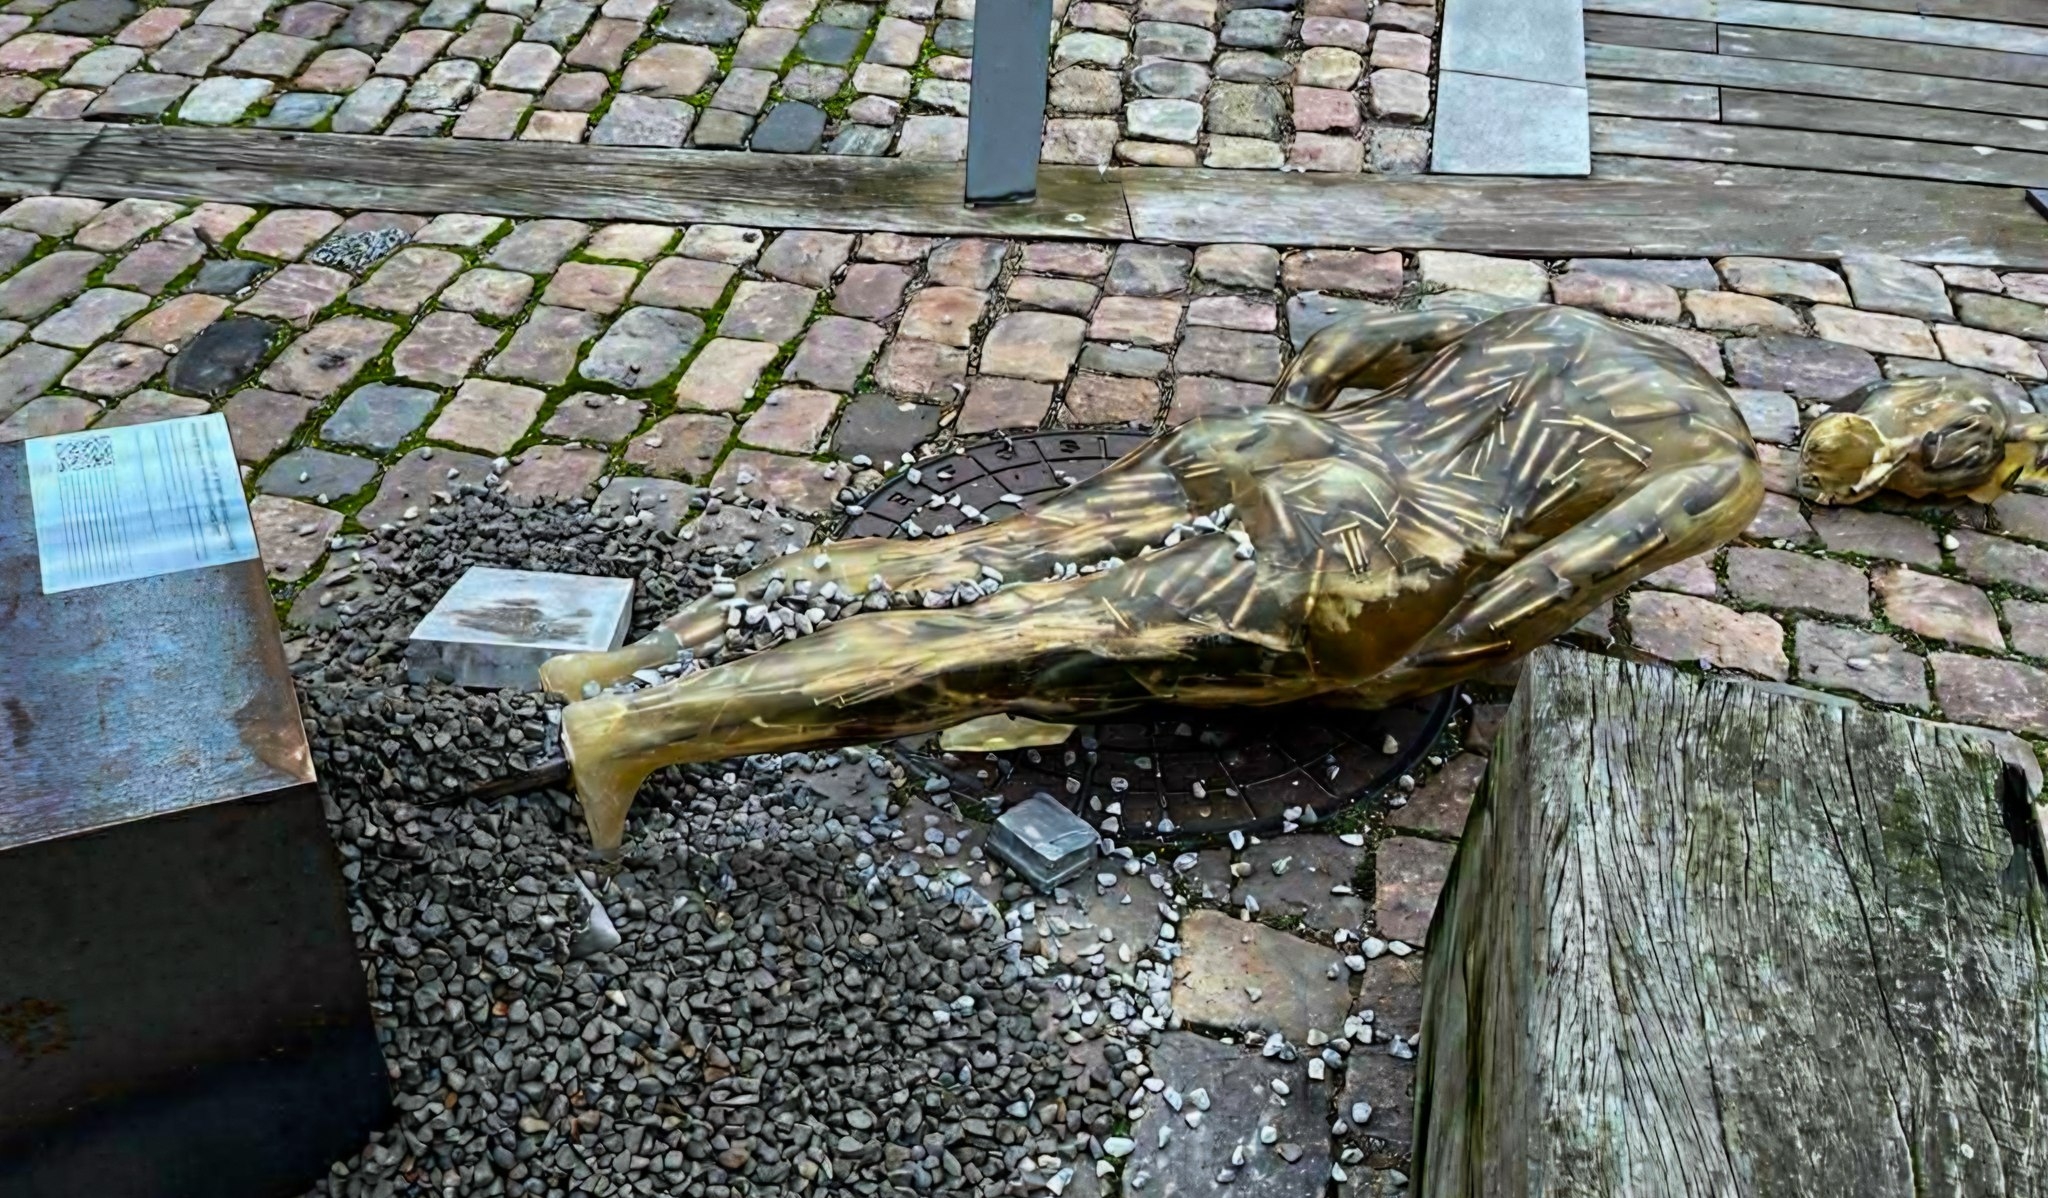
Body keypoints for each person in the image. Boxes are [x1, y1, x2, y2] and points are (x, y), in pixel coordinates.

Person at [541, 305, 1765, 849]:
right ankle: (635, 729)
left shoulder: (1547, 323)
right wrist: (1391, 666)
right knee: (1002, 639)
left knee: (957, 557)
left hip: (1281, 452)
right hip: (1371, 546)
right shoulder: (1716, 469)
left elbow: (1343, 343)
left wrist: (1298, 431)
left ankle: (628, 658)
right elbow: (1545, 590)